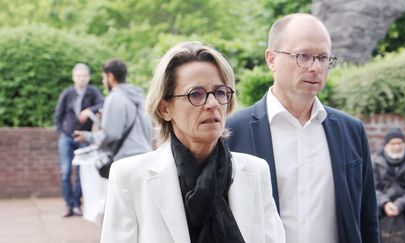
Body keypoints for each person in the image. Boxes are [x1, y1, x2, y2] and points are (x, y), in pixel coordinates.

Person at [100, 42, 285, 243]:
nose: (212, 104)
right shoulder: (129, 177)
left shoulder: (256, 171)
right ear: (164, 109)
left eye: (221, 92)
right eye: (196, 94)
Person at [226, 13, 379, 243]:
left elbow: (367, 220)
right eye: (303, 56)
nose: (316, 67)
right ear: (271, 59)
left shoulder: (351, 130)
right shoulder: (233, 132)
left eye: (323, 57)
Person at [74, 59, 153, 168]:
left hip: (127, 160)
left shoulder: (115, 97)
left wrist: (87, 136)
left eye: (103, 77)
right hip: (145, 156)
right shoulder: (138, 96)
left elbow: (111, 134)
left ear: (110, 76)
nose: (103, 81)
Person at [54, 63, 104, 217]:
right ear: (73, 77)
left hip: (84, 137)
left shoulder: (93, 92)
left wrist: (91, 110)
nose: (81, 78)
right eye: (78, 75)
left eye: (84, 75)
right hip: (67, 138)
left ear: (88, 77)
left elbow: (103, 103)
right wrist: (63, 132)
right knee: (66, 171)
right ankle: (69, 205)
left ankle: (77, 203)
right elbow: (58, 115)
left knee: (82, 172)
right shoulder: (67, 93)